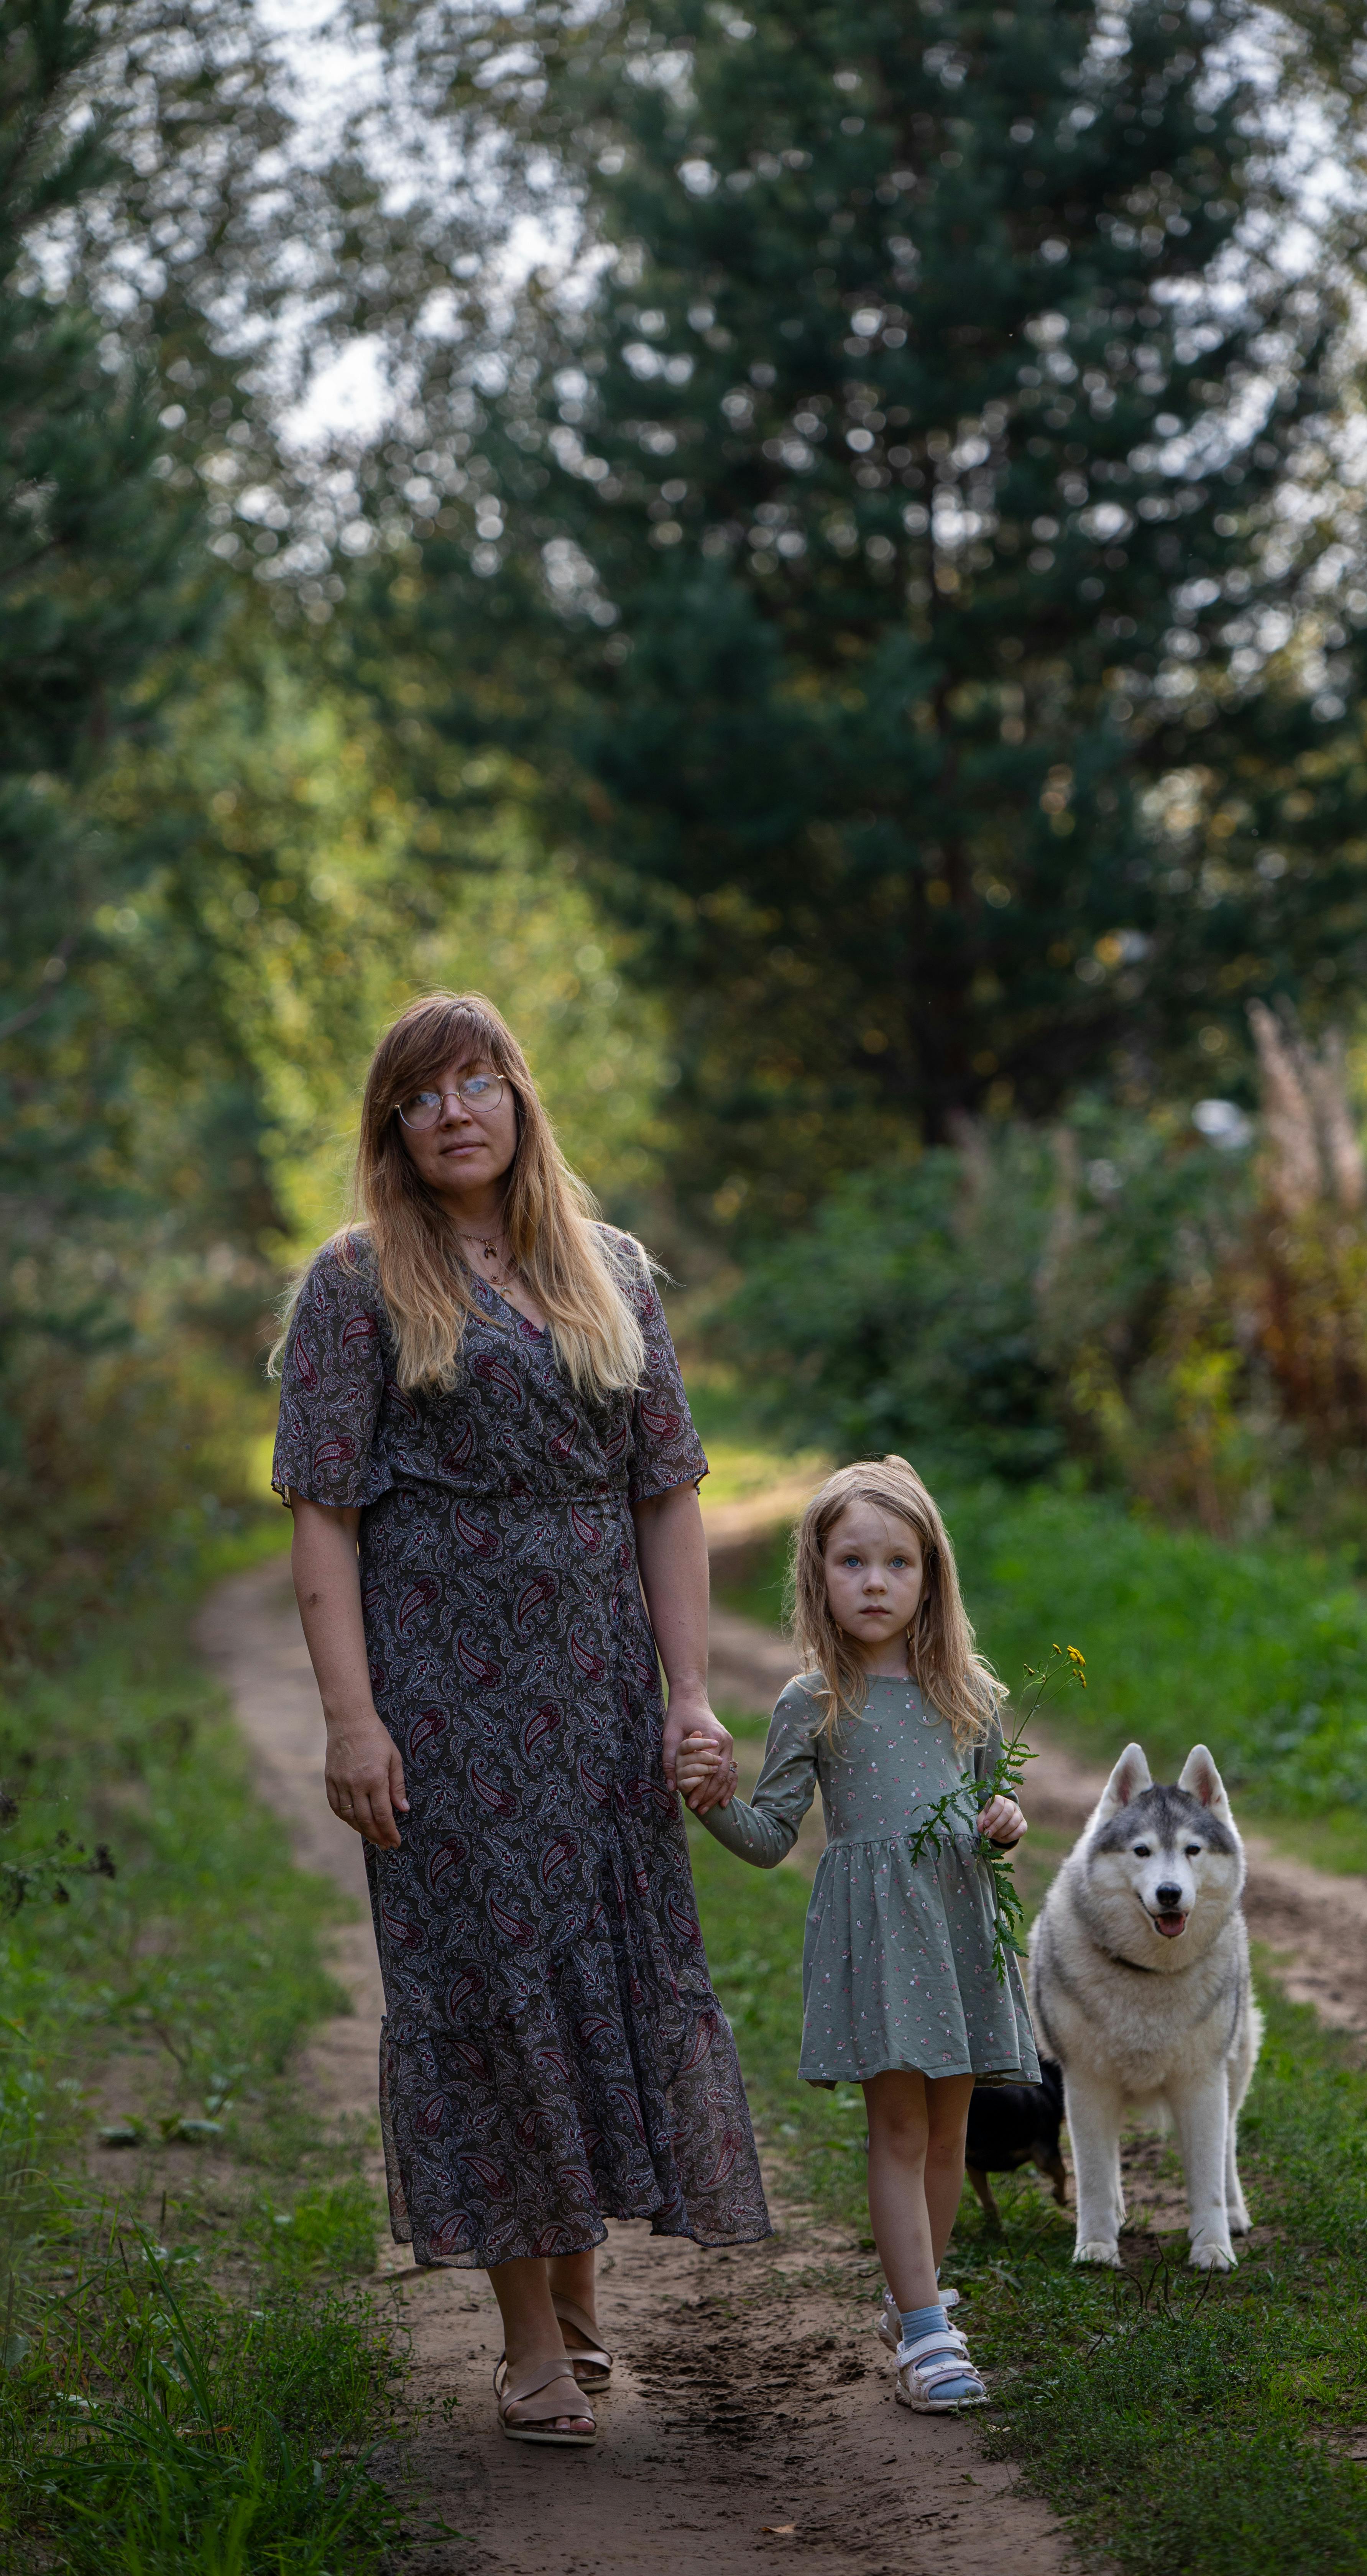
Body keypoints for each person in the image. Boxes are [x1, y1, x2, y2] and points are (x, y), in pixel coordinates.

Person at [271, 990, 768, 2448]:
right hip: (441, 1694)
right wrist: (351, 1719)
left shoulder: (610, 1271)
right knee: (487, 1990)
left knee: (600, 1971)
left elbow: (665, 1491)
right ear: (394, 1132)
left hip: (602, 1690)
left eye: (479, 1081)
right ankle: (529, 2334)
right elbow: (322, 1519)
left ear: (521, 1100)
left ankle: (578, 2270)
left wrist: (688, 1694)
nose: (455, 1111)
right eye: (423, 1096)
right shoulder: (354, 1285)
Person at [675, 1456, 1033, 2414]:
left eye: (897, 1564)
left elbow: (996, 1800)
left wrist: (1007, 1820)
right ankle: (926, 2335)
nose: (875, 1583)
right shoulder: (812, 1702)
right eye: (852, 1563)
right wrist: (711, 1803)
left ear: (930, 1576)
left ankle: (914, 2302)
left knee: (953, 2127)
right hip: (879, 1934)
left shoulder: (971, 1695)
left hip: (958, 1925)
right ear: (817, 1574)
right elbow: (767, 1838)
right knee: (900, 2125)